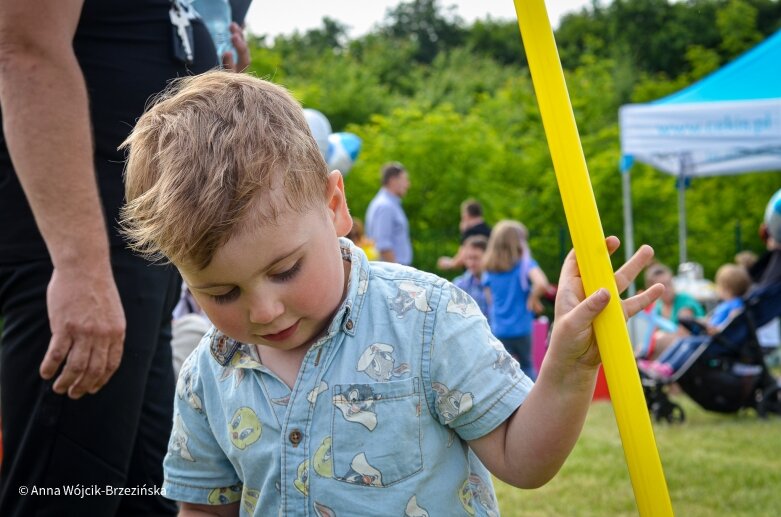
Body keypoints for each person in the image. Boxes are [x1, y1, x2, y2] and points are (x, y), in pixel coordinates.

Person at [118, 71, 663, 515]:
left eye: (285, 269)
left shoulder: (426, 317)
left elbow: (523, 460)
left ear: (335, 206)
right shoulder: (205, 374)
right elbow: (207, 509)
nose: (263, 310)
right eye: (220, 293)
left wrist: (568, 368)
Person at [0, 2, 245, 515]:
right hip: (82, 238)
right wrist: (79, 267)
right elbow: (24, 50)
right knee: (66, 494)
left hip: (136, 247)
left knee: (139, 493)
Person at [640, 263, 751, 378]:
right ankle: (659, 365)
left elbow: (729, 325)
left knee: (687, 343)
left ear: (726, 288)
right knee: (682, 343)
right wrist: (704, 321)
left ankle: (668, 367)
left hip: (715, 340)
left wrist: (714, 327)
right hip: (710, 337)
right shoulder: (727, 305)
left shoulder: (735, 306)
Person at [482, 220, 550, 381]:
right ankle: (533, 402)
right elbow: (542, 283)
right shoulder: (525, 265)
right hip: (522, 328)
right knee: (526, 365)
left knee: (502, 371)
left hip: (499, 329)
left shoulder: (489, 268)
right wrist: (532, 299)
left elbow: (490, 300)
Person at [642, 262, 705, 358]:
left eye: (669, 283)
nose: (667, 289)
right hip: (672, 355)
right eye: (662, 286)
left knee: (658, 340)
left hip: (693, 353)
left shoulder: (684, 300)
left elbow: (684, 334)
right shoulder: (657, 307)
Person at [365, 162, 412, 265]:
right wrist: (399, 275)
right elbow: (383, 245)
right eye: (405, 180)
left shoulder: (388, 204)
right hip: (394, 274)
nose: (408, 184)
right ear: (393, 180)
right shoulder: (386, 206)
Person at [437, 199, 492, 271]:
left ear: (465, 215)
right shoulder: (491, 231)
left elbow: (461, 259)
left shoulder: (470, 232)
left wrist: (448, 263)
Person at [452, 235, 491, 320]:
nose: (471, 263)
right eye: (469, 258)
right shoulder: (459, 285)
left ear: (488, 257)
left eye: (476, 258)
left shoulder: (496, 282)